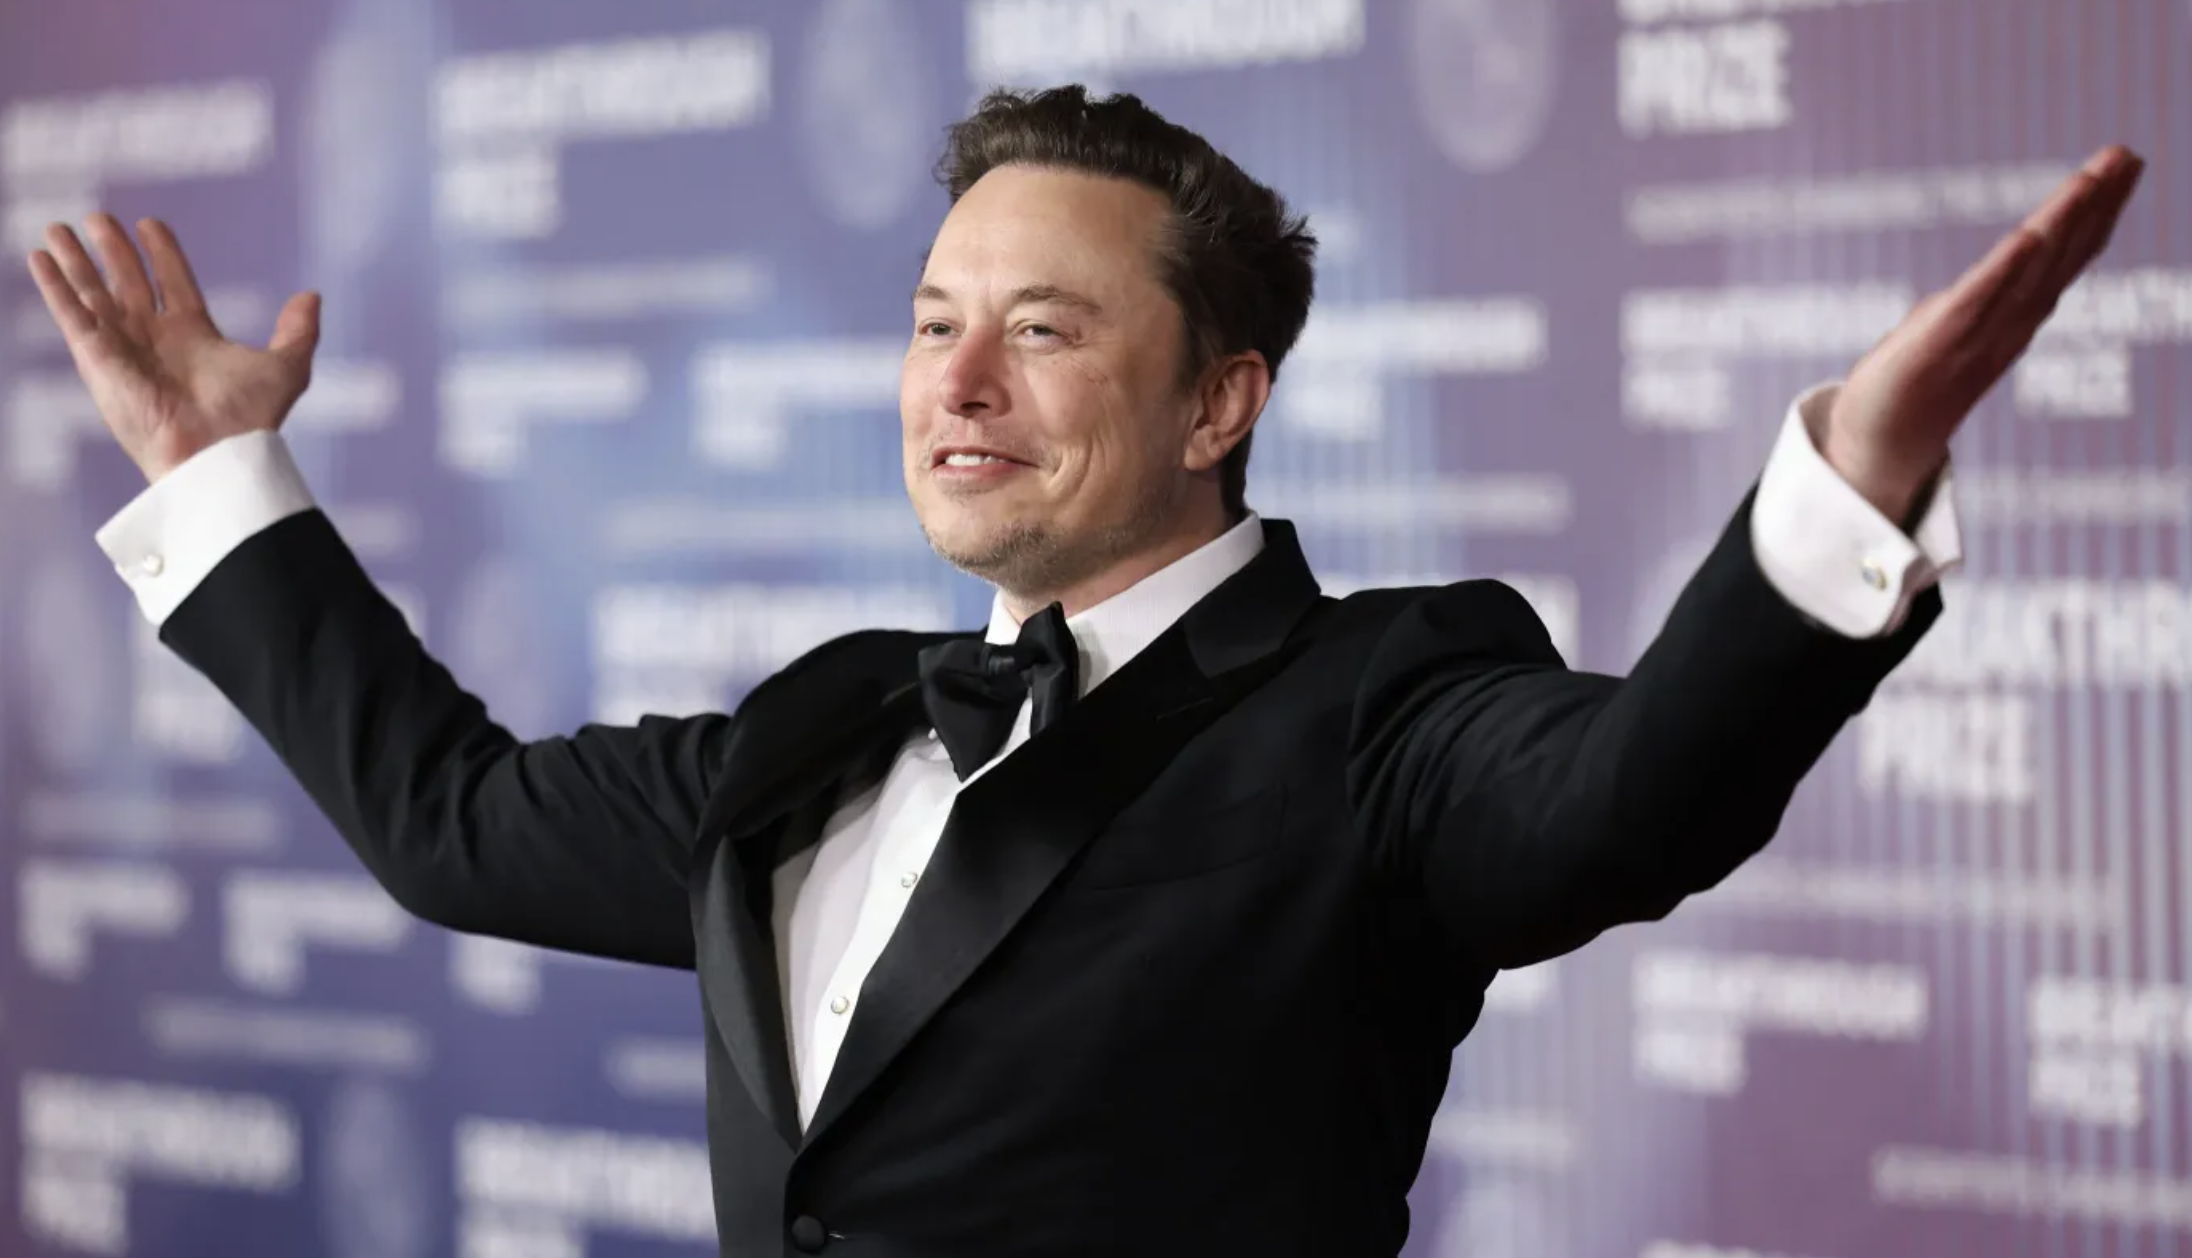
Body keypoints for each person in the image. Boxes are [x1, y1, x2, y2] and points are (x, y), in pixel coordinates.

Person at [26, 85, 2142, 1257]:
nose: (957, 380)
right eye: (934, 318)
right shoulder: (824, 722)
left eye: (1041, 330)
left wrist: (1836, 492)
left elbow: (1631, 798)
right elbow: (451, 820)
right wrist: (222, 475)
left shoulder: (1378, 704)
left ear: (1221, 401)